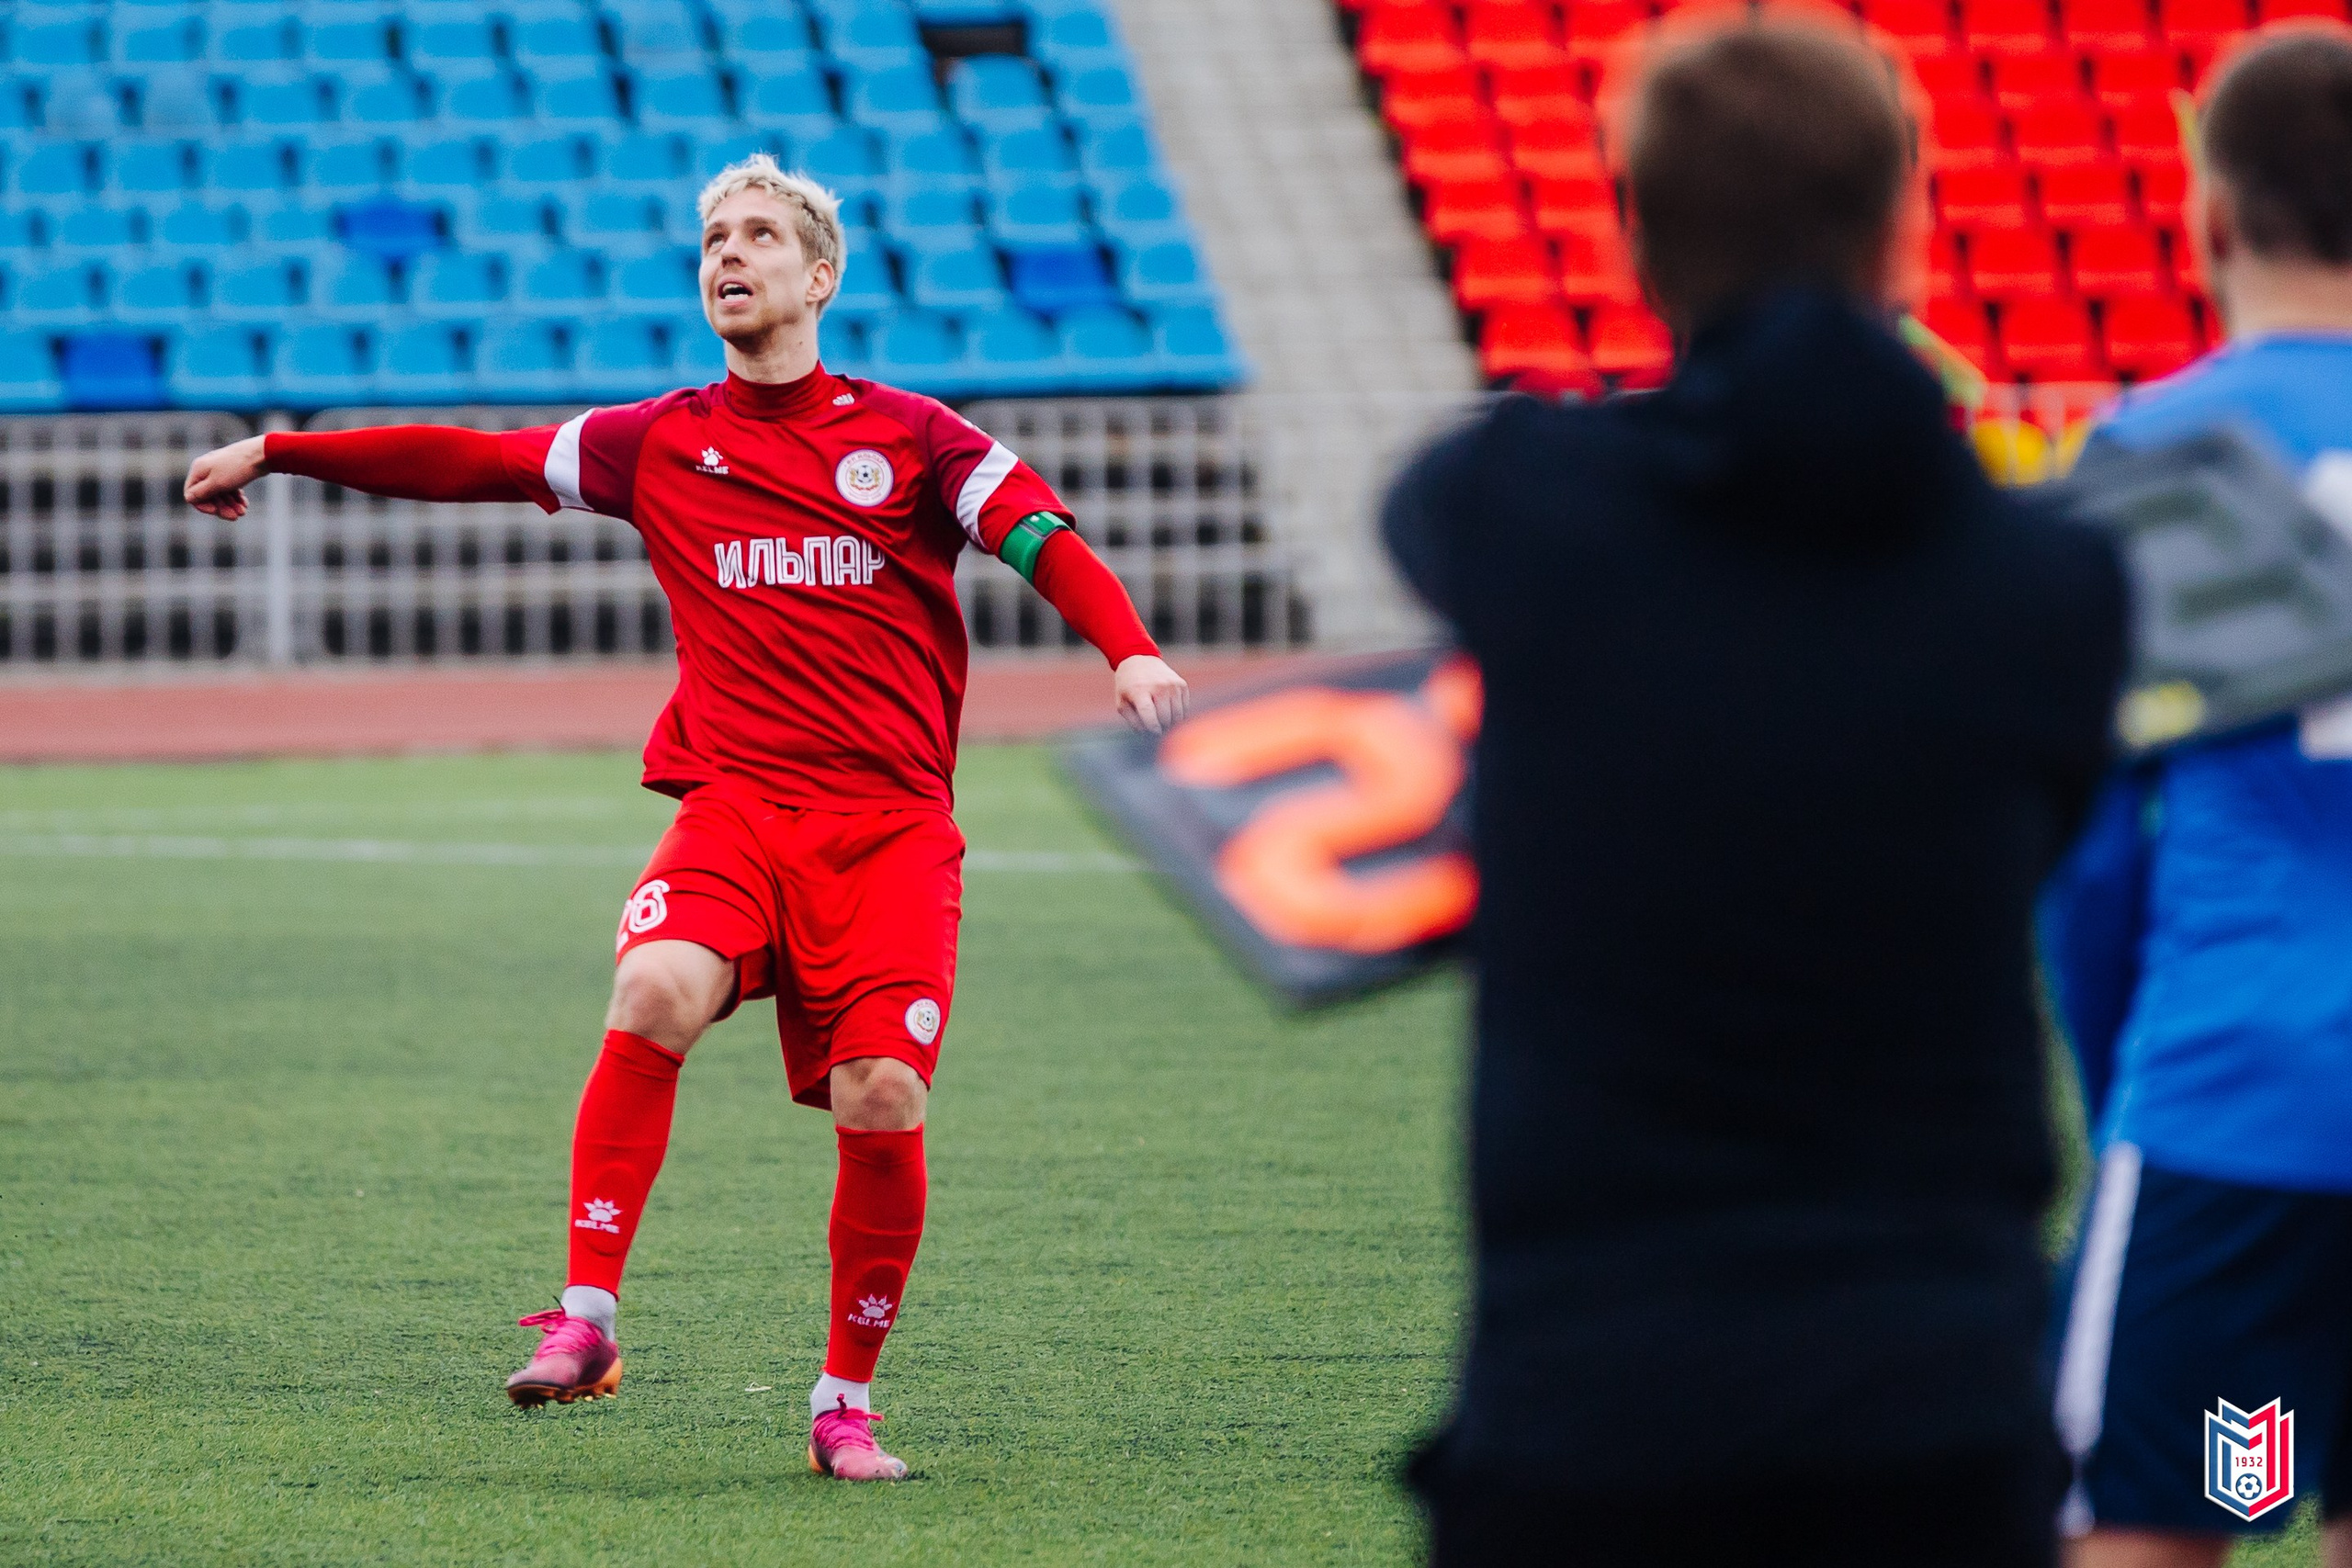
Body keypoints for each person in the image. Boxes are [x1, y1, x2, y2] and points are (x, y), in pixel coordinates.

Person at [183, 155, 1190, 1482]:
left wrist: (1129, 648)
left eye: (760, 235)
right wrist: (282, 448)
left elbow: (1038, 534)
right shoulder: (656, 439)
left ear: (820, 275)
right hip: (737, 808)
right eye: (715, 237)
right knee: (654, 986)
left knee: (881, 1093)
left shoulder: (917, 437)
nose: (730, 253)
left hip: (890, 828)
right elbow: (480, 461)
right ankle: (586, 1319)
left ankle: (842, 1404)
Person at [1382, 19, 2130, 1565]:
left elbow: (1447, 490)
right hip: (1935, 1399)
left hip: (1592, 1402)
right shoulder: (2054, 589)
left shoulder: (1518, 515)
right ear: (1903, 232)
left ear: (1639, 243)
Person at [2040, 25, 2352, 1566]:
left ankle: (2260, 1465)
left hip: (2237, 1107)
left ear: (2212, 213)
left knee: (2174, 1519)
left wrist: (2131, 1092)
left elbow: (2089, 855)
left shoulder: (2154, 453)